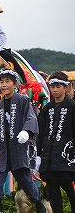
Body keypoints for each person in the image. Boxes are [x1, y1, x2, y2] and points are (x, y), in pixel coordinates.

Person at [0, 70, 46, 213]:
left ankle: (39, 204)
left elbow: (31, 118)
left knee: (27, 182)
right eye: (1, 82)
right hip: (1, 151)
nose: (4, 85)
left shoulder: (23, 100)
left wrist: (27, 132)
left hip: (18, 150)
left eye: (7, 81)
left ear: (15, 84)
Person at [37, 71, 75, 213]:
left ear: (65, 87)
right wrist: (39, 154)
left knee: (65, 181)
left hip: (66, 154)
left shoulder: (72, 106)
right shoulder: (47, 108)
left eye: (58, 86)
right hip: (49, 155)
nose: (54, 89)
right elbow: (41, 132)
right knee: (52, 186)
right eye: (52, 86)